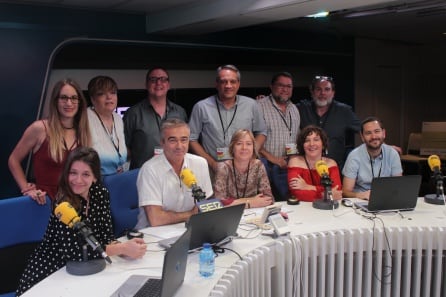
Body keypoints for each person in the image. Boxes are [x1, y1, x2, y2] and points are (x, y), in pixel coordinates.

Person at [16, 147, 147, 296]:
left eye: (86, 174)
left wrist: (127, 249)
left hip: (84, 271)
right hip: (50, 271)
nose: (78, 180)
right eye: (73, 173)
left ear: (95, 177)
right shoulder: (63, 204)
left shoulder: (100, 194)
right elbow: (75, 252)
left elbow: (105, 237)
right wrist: (121, 249)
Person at [8, 79, 91, 203]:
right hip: (45, 203)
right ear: (55, 101)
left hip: (76, 203)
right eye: (64, 97)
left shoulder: (83, 132)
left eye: (74, 98)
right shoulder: (39, 128)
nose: (69, 103)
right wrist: (26, 188)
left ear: (79, 102)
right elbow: (13, 160)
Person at [189, 65, 267, 174]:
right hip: (213, 170)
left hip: (245, 169)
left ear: (238, 84)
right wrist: (212, 164)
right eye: (223, 81)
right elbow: (192, 139)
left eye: (232, 81)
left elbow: (262, 132)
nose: (228, 85)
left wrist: (252, 156)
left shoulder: (251, 105)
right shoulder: (201, 107)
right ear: (216, 84)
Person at [135, 119, 213, 228]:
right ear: (162, 142)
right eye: (173, 140)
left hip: (190, 228)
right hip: (154, 234)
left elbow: (204, 206)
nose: (179, 146)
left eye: (184, 140)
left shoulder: (200, 163)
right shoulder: (149, 169)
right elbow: (156, 219)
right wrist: (191, 214)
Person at [123, 67, 188, 169]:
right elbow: (124, 147)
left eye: (163, 79)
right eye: (153, 80)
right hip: (142, 174)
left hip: (173, 172)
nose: (158, 83)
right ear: (146, 84)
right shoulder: (133, 113)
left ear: (168, 85)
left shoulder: (180, 112)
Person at [297, 76, 361, 171]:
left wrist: (383, 147)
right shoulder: (301, 109)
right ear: (312, 91)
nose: (323, 93)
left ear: (333, 93)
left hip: (336, 168)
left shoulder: (344, 111)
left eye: (327, 89)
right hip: (307, 169)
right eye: (318, 89)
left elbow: (364, 129)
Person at [257, 72, 300, 201]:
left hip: (287, 166)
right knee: (267, 204)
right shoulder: (259, 106)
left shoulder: (294, 109)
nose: (285, 89)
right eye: (281, 85)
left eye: (289, 86)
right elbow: (251, 139)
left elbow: (296, 137)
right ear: (271, 86)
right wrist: (274, 159)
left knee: (288, 204)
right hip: (265, 166)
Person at [342, 117, 403, 199]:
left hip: (386, 199)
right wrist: (360, 195)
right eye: (368, 133)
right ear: (362, 137)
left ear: (384, 133)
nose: (373, 136)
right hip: (361, 200)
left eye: (377, 131)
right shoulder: (354, 156)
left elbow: (398, 186)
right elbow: (346, 192)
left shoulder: (392, 154)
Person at [213, 129, 274, 208]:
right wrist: (250, 203)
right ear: (232, 147)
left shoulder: (258, 165)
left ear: (253, 147)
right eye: (239, 144)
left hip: (254, 214)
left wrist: (235, 202)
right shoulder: (223, 168)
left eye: (248, 144)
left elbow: (268, 199)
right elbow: (219, 203)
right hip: (230, 216)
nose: (244, 147)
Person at [288, 125, 342, 202]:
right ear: (302, 145)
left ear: (323, 144)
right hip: (302, 208)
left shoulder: (331, 163)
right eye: (307, 140)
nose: (312, 144)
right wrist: (325, 195)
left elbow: (337, 192)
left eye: (316, 140)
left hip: (327, 209)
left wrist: (307, 187)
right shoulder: (294, 162)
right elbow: (297, 194)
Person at [87, 76, 127, 176]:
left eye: (113, 92)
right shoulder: (84, 118)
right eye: (102, 94)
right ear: (93, 99)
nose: (109, 97)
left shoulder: (118, 118)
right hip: (95, 181)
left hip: (117, 177)